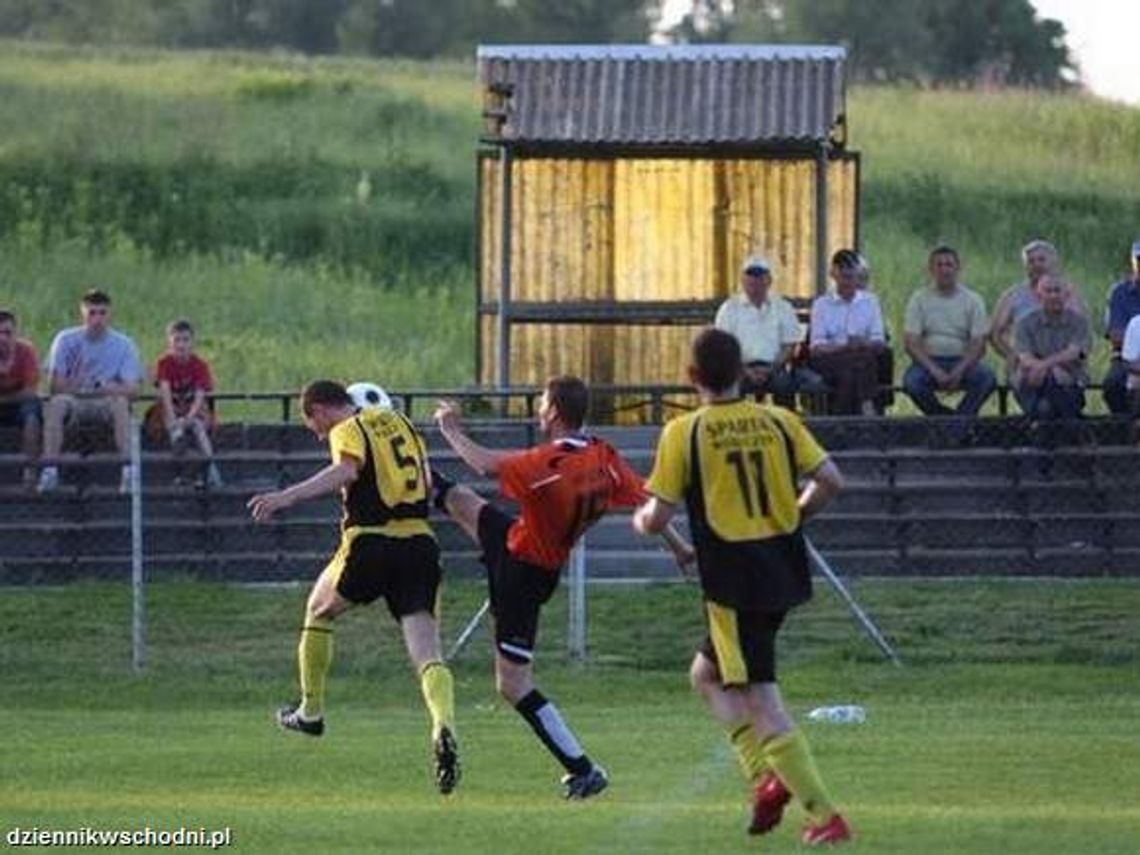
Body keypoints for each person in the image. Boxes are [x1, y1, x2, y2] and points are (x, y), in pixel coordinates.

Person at [631, 328, 851, 845]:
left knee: (761, 699)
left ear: (691, 378)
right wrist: (795, 516)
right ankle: (764, 778)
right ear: (743, 374)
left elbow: (658, 514)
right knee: (705, 674)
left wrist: (643, 520)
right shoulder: (779, 420)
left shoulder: (684, 432)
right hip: (783, 567)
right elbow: (833, 480)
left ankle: (824, 816)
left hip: (733, 579)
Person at [430, 376, 692, 799]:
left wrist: (451, 430)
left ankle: (583, 769)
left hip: (522, 572)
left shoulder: (551, 464)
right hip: (520, 545)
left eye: (541, 403)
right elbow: (649, 502)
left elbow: (485, 464)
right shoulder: (602, 456)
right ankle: (388, 459)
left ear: (553, 412)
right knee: (456, 498)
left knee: (513, 685)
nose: (537, 409)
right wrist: (679, 548)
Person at [247, 380, 460, 795]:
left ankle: (310, 712)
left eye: (314, 425)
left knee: (318, 610)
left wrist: (285, 497)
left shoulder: (348, 428)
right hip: (419, 542)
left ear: (322, 410)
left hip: (370, 539)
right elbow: (428, 482)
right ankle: (443, 724)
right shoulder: (403, 425)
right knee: (427, 653)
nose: (317, 433)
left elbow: (346, 470)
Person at [38, 289, 143, 493]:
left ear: (109, 314)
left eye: (102, 313)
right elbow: (54, 384)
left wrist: (106, 388)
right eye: (92, 313)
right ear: (83, 313)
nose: (97, 319)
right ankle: (50, 469)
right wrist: (81, 388)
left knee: (121, 404)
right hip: (74, 401)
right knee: (56, 404)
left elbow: (133, 389)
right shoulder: (65, 339)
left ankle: (128, 471)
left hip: (105, 401)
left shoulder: (124, 344)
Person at [714, 255, 826, 410]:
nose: (756, 284)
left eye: (760, 279)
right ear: (743, 281)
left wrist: (771, 369)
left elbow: (789, 345)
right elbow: (724, 348)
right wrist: (746, 371)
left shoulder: (782, 307)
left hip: (774, 366)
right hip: (739, 367)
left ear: (769, 281)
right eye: (751, 279)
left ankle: (785, 428)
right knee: (731, 387)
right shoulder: (729, 308)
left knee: (784, 384)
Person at [902, 246, 996, 417]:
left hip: (963, 361)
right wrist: (934, 370)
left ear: (958, 268)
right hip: (928, 362)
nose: (944, 269)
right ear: (931, 270)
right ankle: (949, 421)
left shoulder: (973, 300)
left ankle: (954, 425)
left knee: (987, 379)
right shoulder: (919, 299)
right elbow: (911, 342)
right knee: (912, 383)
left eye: (949, 265)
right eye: (939, 265)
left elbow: (979, 344)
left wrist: (959, 370)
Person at [990, 240, 1087, 378]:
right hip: (1025, 362)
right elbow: (996, 333)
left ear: (1054, 263)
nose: (1036, 265)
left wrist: (1050, 364)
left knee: (1056, 377)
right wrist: (1012, 354)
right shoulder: (1013, 295)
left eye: (1041, 260)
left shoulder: (1070, 294)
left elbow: (1081, 335)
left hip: (1064, 363)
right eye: (1031, 261)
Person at [808, 249, 887, 415]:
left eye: (851, 277)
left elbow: (879, 340)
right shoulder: (821, 304)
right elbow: (816, 348)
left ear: (858, 276)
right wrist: (844, 346)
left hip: (861, 357)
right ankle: (867, 408)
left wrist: (862, 343)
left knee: (851, 371)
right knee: (860, 361)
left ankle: (841, 421)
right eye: (843, 277)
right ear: (834, 276)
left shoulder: (870, 302)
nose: (847, 283)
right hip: (830, 359)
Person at [150, 319, 222, 487]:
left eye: (185, 340)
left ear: (192, 342)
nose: (181, 345)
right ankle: (179, 463)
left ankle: (211, 467)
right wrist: (175, 420)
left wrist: (189, 417)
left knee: (198, 427)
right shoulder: (164, 364)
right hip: (172, 408)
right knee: (172, 425)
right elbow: (165, 393)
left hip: (192, 409)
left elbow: (200, 395)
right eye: (177, 340)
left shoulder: (200, 365)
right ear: (169, 342)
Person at [1011, 274, 1091, 421]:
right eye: (1048, 291)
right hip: (1032, 381)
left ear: (1066, 295)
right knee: (1044, 381)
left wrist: (1045, 367)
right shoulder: (1025, 323)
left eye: (1057, 290)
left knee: (1045, 407)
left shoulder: (1079, 322)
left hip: (1069, 379)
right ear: (1038, 295)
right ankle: (1074, 424)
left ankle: (1037, 427)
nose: (1054, 295)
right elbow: (1024, 357)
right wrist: (1047, 369)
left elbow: (1076, 353)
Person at [0, 308, 42, 485]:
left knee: (32, 413)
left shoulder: (26, 351)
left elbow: (30, 390)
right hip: (13, 399)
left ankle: (30, 470)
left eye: (7, 332)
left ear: (15, 333)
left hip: (19, 406)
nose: (2, 338)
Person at [1101, 241, 1140, 415]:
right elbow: (1116, 335)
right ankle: (1124, 429)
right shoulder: (1119, 292)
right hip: (1126, 357)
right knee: (1114, 384)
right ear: (1133, 262)